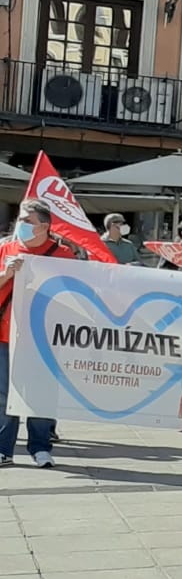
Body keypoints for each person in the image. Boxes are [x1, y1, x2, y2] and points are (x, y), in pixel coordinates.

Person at [0, 200, 81, 467]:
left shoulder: (64, 255)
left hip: (43, 337)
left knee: (41, 393)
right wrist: (6, 273)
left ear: (44, 226)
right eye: (20, 219)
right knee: (3, 395)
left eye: (27, 221)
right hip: (5, 336)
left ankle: (40, 447)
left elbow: (73, 295)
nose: (19, 224)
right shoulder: (4, 248)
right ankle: (4, 449)